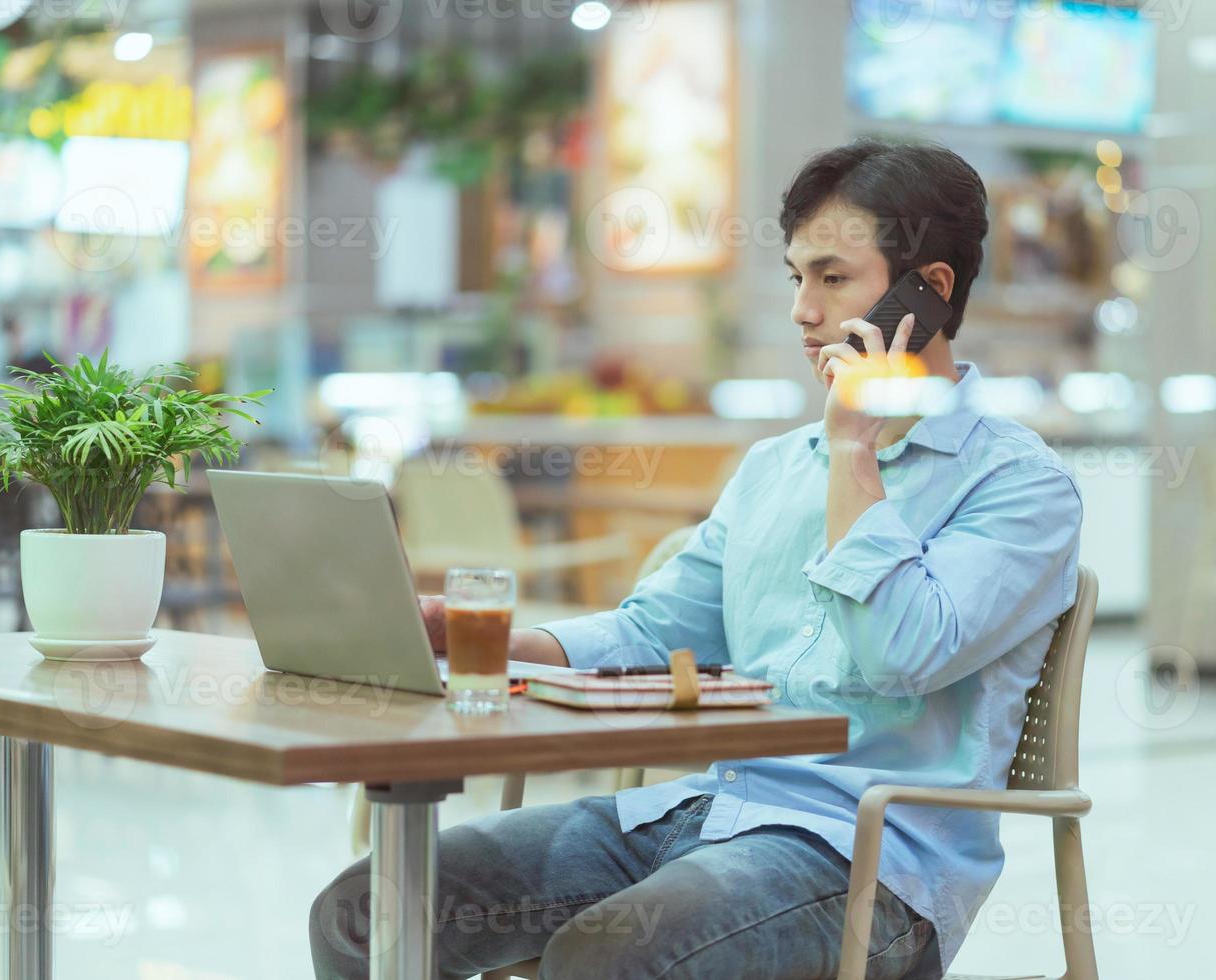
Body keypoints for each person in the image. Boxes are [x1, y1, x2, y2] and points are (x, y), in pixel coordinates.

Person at [309, 138, 1083, 980]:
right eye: (796, 277)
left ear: (927, 292)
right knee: (366, 909)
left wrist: (856, 456)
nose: (802, 310)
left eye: (832, 277)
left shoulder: (1020, 485)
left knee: (609, 956)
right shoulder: (774, 469)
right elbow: (654, 631)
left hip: (867, 861)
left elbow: (902, 655)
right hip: (701, 809)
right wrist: (486, 643)